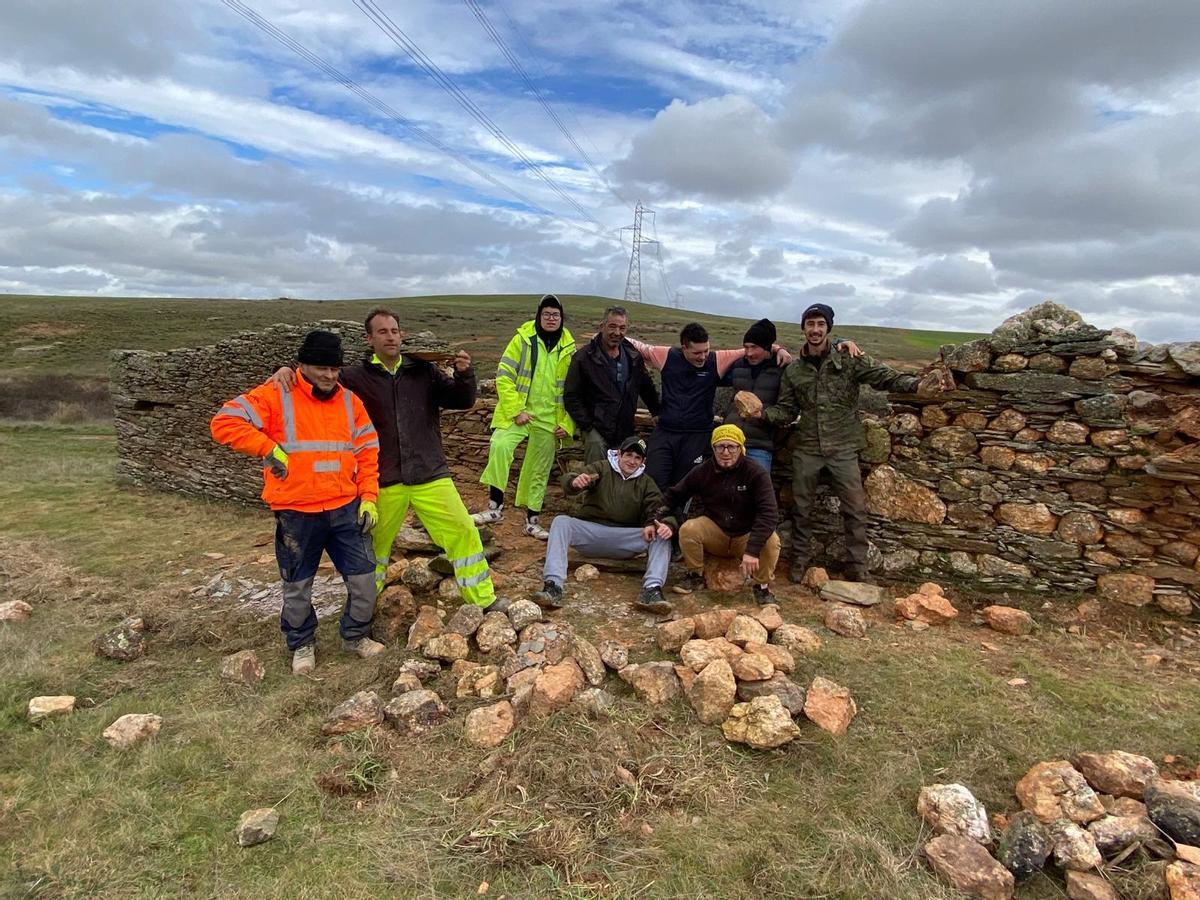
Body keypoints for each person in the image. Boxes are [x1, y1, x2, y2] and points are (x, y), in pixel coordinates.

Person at [270, 307, 502, 612]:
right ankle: (365, 610)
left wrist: (464, 374)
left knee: (464, 532)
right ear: (369, 339)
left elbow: (463, 400)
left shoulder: (424, 372)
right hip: (382, 478)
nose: (390, 337)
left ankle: (484, 601)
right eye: (382, 331)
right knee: (374, 548)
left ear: (401, 335)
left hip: (430, 474)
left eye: (394, 331)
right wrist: (288, 371)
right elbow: (318, 383)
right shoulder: (353, 378)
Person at [211, 330, 383, 674]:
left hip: (346, 509)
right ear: (301, 364)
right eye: (321, 367)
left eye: (335, 368)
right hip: (296, 513)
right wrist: (267, 447)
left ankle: (355, 636)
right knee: (297, 586)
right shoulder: (276, 394)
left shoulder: (350, 402)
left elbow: (367, 452)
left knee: (364, 580)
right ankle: (302, 643)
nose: (329, 376)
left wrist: (369, 497)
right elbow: (224, 422)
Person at [751, 302, 927, 583]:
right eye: (810, 324)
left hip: (844, 447)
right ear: (803, 328)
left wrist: (917, 385)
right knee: (801, 509)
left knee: (855, 510)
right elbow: (786, 411)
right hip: (807, 446)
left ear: (828, 328)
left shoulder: (849, 359)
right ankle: (799, 566)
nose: (815, 330)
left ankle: (857, 568)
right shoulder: (794, 371)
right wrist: (763, 413)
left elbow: (884, 377)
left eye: (821, 324)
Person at [532, 436, 677, 615]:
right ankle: (553, 586)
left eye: (637, 458)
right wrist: (574, 482)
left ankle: (652, 590)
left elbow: (659, 509)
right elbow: (572, 479)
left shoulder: (646, 482)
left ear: (643, 461)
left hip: (624, 540)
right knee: (561, 522)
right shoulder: (602, 468)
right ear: (619, 454)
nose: (632, 461)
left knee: (662, 534)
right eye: (629, 455)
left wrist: (657, 524)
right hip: (592, 533)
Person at [472, 294, 576, 540]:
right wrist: (516, 410)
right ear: (538, 316)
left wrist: (568, 423)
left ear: (562, 318)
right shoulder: (522, 340)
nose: (551, 319)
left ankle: (532, 521)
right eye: (546, 314)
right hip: (519, 412)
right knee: (499, 446)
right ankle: (494, 508)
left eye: (555, 315)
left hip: (550, 418)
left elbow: (575, 390)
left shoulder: (570, 348)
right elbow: (504, 375)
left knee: (539, 469)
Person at [657, 425, 781, 605]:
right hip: (716, 532)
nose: (726, 452)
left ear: (741, 448)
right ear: (713, 448)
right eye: (720, 446)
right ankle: (695, 575)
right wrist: (653, 517)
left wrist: (752, 550)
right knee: (689, 529)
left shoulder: (756, 473)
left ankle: (761, 587)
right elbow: (674, 495)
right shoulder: (703, 471)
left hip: (745, 536)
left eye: (732, 446)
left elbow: (769, 513)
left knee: (772, 541)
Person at [562, 305, 660, 464]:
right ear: (602, 327)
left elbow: (646, 386)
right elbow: (571, 396)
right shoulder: (584, 357)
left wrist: (656, 411)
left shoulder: (633, 356)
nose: (617, 332)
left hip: (625, 430)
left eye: (622, 328)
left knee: (623, 478)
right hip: (596, 430)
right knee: (595, 476)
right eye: (612, 326)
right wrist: (588, 428)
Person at [720, 318, 786, 473]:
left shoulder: (782, 370)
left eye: (754, 347)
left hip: (759, 445)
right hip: (730, 441)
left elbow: (788, 409)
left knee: (758, 494)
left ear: (767, 347)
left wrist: (762, 415)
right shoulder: (737, 365)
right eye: (746, 347)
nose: (749, 353)